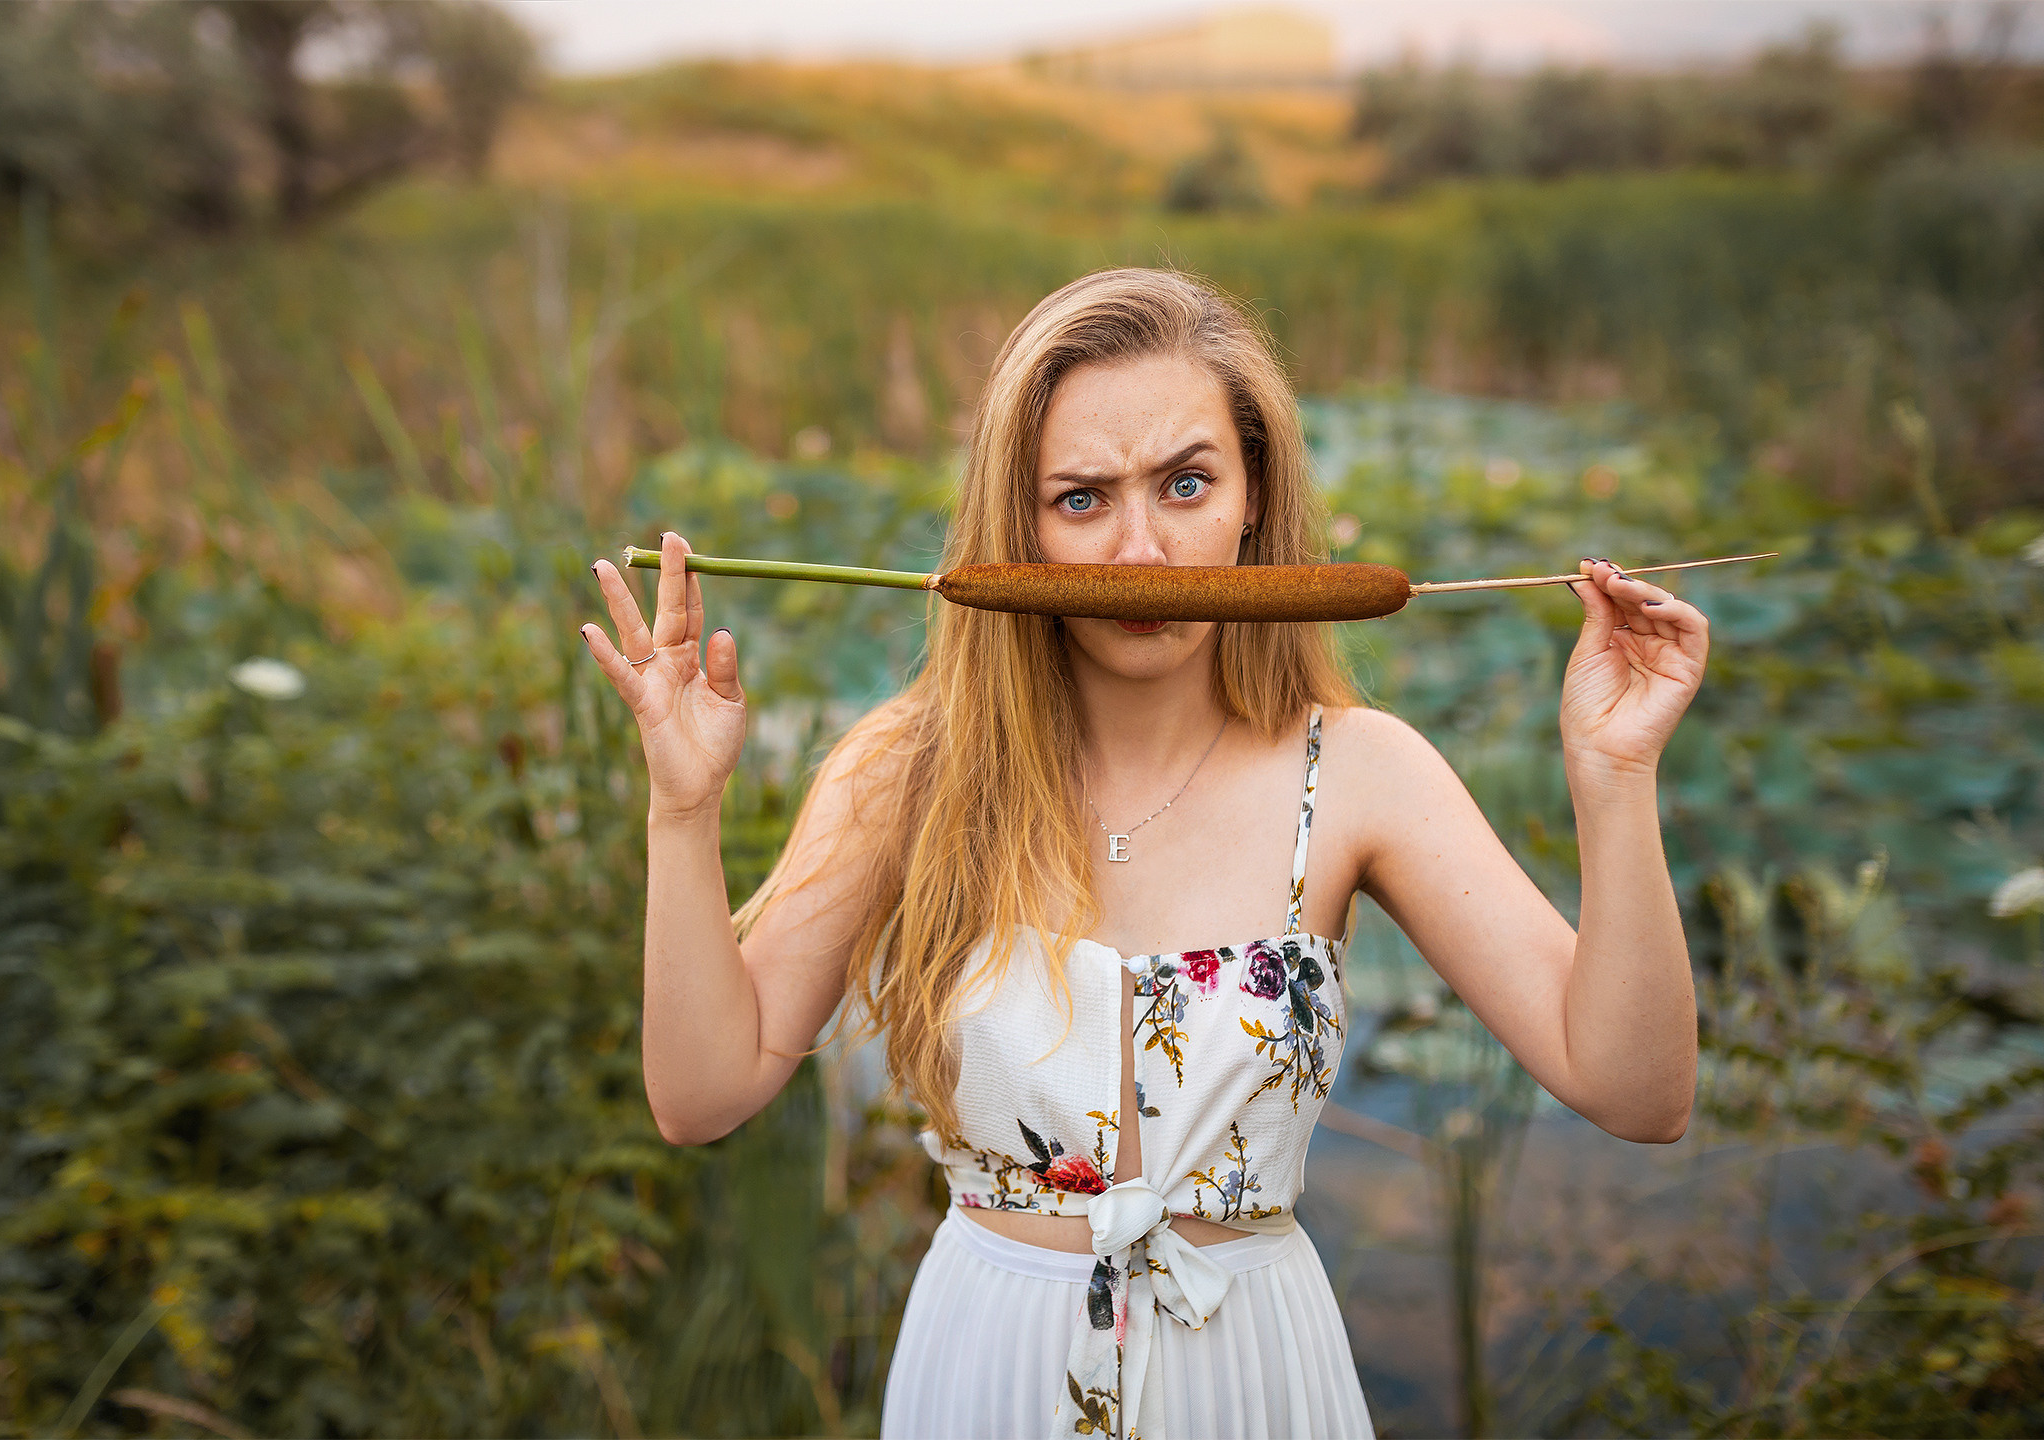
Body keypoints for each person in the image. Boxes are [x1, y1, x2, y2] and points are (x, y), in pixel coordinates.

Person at [580, 269, 1706, 1440]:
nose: (1144, 547)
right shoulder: (904, 770)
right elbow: (701, 1096)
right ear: (1014, 523)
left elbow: (1636, 1093)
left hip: (1252, 1376)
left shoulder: (1363, 771)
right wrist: (682, 809)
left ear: (1253, 492)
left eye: (1185, 483)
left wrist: (1614, 779)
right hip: (991, 1368)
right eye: (1079, 499)